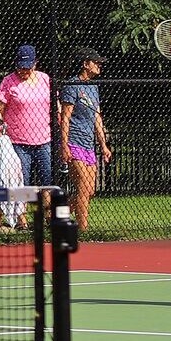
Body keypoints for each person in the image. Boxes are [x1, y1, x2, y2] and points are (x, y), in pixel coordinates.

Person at [58, 49, 112, 235]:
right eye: (95, 62)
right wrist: (64, 145)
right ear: (85, 64)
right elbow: (65, 118)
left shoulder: (93, 88)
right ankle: (83, 229)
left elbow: (97, 118)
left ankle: (58, 215)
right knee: (82, 185)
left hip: (88, 145)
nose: (99, 65)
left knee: (90, 191)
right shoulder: (72, 85)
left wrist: (103, 145)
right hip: (74, 141)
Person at [0, 44, 54, 188]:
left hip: (44, 140)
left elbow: (55, 105)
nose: (23, 71)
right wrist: (0, 131)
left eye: (27, 67)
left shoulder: (45, 79)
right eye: (21, 67)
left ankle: (46, 204)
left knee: (47, 183)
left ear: (35, 63)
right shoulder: (8, 81)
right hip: (18, 142)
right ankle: (23, 204)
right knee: (21, 182)